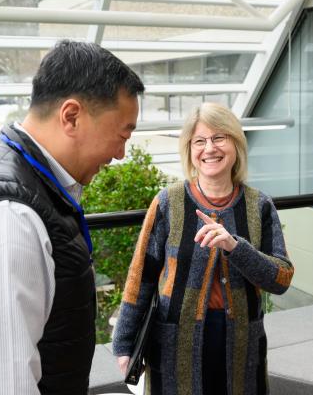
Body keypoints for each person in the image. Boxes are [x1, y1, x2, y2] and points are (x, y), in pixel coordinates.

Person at [0, 40, 144, 395]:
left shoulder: (25, 183)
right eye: (122, 134)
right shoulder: (7, 218)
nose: (120, 154)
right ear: (71, 116)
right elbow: (0, 386)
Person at [112, 102, 293, 394]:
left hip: (241, 344)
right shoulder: (168, 202)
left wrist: (235, 247)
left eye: (219, 138)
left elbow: (282, 278)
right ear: (189, 150)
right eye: (200, 141)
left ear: (235, 143)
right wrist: (124, 343)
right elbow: (141, 275)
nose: (210, 148)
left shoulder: (259, 206)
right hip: (176, 344)